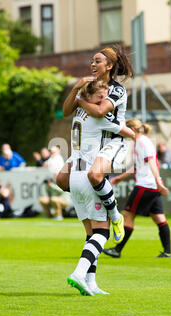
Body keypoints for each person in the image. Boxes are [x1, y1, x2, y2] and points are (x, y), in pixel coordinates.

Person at [57, 45, 134, 244]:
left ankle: (115, 215)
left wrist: (80, 100)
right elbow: (66, 112)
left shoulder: (117, 89)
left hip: (111, 142)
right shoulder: (88, 87)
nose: (92, 64)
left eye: (97, 61)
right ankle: (90, 271)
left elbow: (100, 111)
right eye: (92, 61)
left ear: (109, 65)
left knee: (94, 175)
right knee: (62, 180)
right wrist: (76, 87)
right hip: (86, 147)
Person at [66, 81, 134, 296]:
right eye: (102, 96)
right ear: (92, 96)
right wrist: (138, 136)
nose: (105, 102)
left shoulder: (79, 113)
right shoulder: (98, 116)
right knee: (102, 233)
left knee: (91, 234)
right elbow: (126, 131)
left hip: (74, 177)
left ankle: (90, 282)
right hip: (88, 179)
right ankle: (78, 273)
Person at [103, 118, 171, 259]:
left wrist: (158, 181)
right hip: (151, 186)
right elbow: (138, 166)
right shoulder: (140, 142)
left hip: (145, 185)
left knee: (128, 215)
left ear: (132, 130)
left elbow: (152, 162)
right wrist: (120, 178)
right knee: (159, 218)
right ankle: (167, 252)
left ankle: (117, 250)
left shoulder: (142, 142)